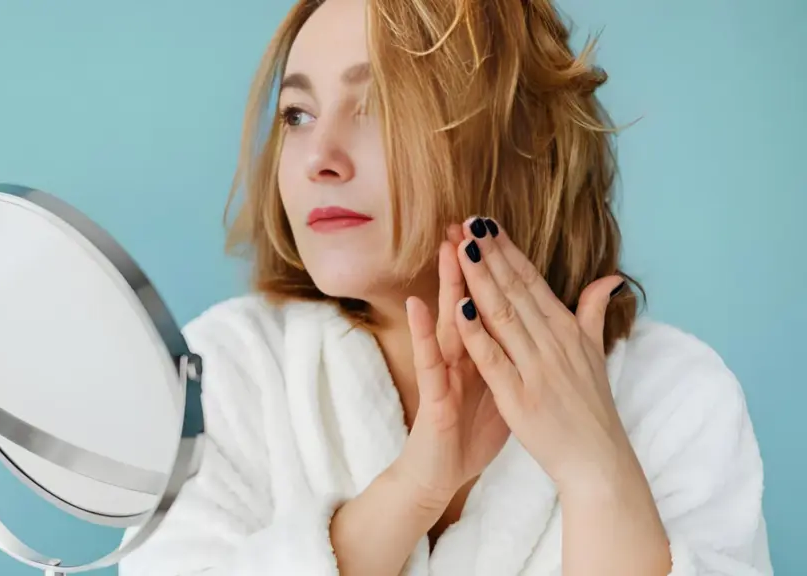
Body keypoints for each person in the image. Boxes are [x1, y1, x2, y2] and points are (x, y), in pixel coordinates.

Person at [119, 0, 772, 574]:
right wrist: (412, 490)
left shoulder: (676, 397)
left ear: (511, 137)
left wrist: (597, 475)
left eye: (375, 107)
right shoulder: (223, 375)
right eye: (296, 115)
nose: (320, 157)